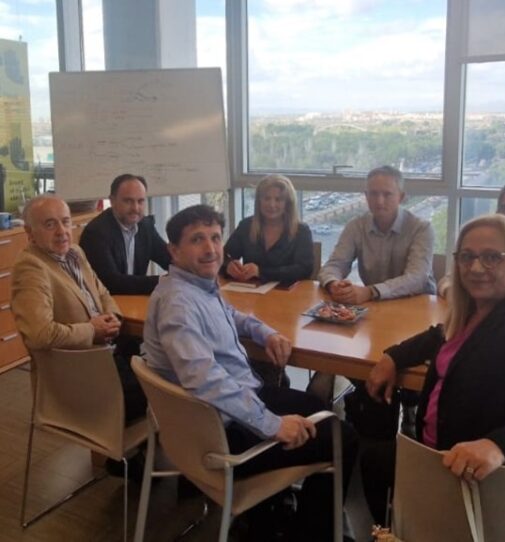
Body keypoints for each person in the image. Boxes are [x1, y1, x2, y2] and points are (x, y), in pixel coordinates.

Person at [141, 204, 357, 541]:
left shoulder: (193, 286)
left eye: (215, 238)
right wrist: (273, 425)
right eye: (197, 239)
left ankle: (268, 517)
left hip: (223, 411)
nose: (211, 248)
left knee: (318, 409)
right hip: (222, 435)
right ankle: (308, 533)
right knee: (343, 437)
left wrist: (264, 332)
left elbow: (231, 315)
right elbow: (204, 380)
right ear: (174, 251)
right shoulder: (179, 305)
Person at [361, 213, 505, 524]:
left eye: (492, 257)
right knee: (370, 456)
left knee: (370, 458)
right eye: (467, 257)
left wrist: (497, 445)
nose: (476, 268)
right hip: (439, 454)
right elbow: (435, 337)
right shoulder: (470, 314)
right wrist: (392, 357)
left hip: (485, 476)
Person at [11, 194, 146, 423]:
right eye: (50, 224)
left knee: (162, 370)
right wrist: (92, 330)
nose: (62, 231)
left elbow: (102, 292)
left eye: (65, 222)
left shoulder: (74, 252)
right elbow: (39, 335)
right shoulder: (31, 268)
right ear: (30, 233)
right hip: (78, 376)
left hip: (106, 355)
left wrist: (112, 316)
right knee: (161, 392)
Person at [318, 165, 435, 304]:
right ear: (366, 196)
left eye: (387, 194)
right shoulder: (356, 226)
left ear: (401, 197)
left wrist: (370, 291)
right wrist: (334, 283)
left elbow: (417, 278)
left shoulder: (421, 228)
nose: (380, 201)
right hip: (375, 304)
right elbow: (334, 265)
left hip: (416, 304)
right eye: (373, 194)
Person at [79, 173, 171, 295]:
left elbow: (168, 258)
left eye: (140, 201)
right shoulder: (96, 233)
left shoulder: (145, 226)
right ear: (112, 201)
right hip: (108, 301)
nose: (135, 208)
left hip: (135, 299)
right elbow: (112, 283)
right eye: (128, 201)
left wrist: (190, 269)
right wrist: (163, 281)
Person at [223, 174, 314, 285]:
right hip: (250, 291)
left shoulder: (301, 231)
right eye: (266, 198)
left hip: (287, 293)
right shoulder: (246, 226)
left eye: (278, 200)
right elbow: (223, 257)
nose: (271, 204)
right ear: (259, 201)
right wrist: (228, 266)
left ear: (288, 203)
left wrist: (261, 272)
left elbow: (304, 270)